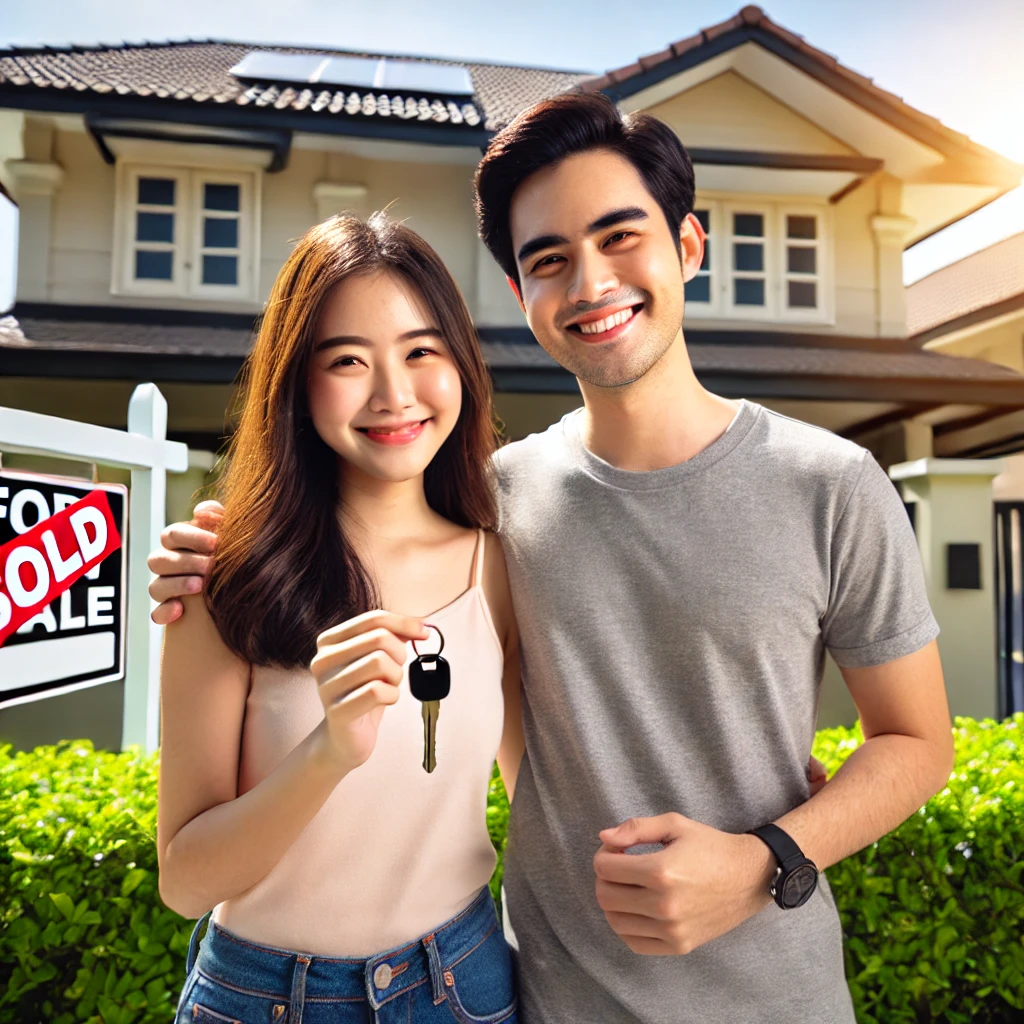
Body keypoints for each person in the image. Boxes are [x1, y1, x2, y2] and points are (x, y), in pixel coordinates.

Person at [151, 94, 953, 1024]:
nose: (591, 283)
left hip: (769, 994)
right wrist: (218, 554)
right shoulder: (503, 504)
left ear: (688, 246)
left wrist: (766, 854)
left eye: (620, 238)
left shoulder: (834, 483)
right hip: (544, 993)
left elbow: (915, 742)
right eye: (549, 261)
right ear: (521, 296)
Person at [157, 212, 523, 1024]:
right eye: (348, 361)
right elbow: (184, 881)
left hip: (462, 984)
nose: (394, 395)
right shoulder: (227, 574)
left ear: (460, 364)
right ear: (297, 381)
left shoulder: (497, 566)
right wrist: (328, 752)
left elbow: (544, 790)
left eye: (422, 352)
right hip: (263, 997)